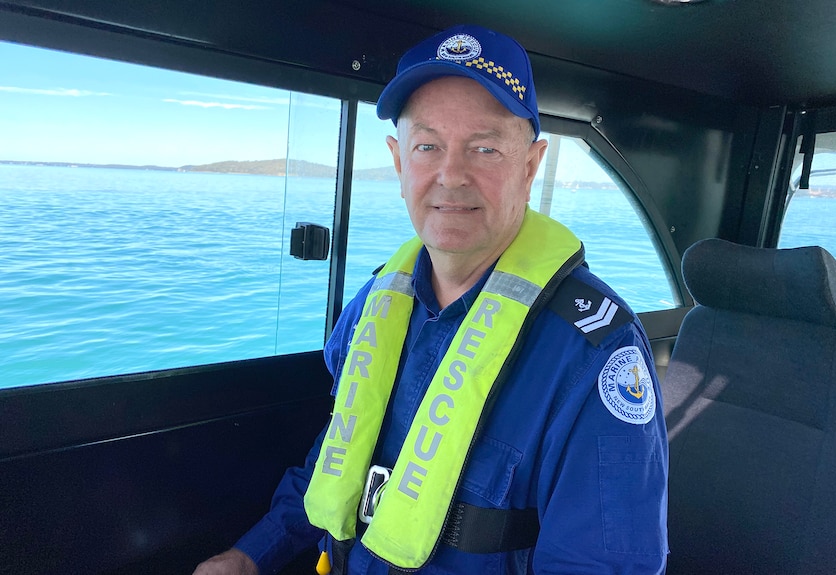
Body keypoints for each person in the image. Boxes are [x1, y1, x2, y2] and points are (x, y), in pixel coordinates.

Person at [194, 23, 669, 575]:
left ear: (530, 165)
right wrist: (251, 556)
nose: (451, 175)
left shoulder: (594, 353)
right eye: (428, 146)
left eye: (485, 148)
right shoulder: (375, 305)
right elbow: (337, 458)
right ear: (399, 162)